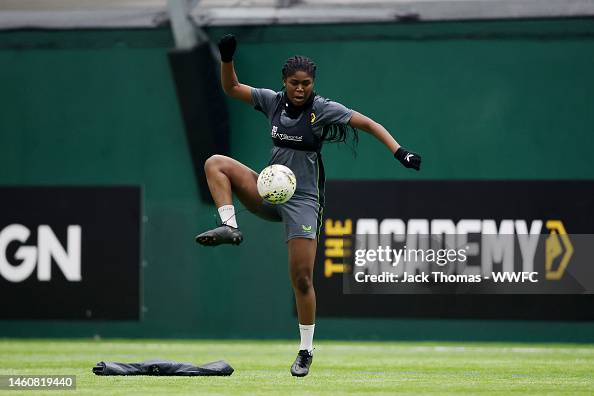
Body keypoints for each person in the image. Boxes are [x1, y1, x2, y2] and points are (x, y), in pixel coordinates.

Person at [195, 34, 422, 377]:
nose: (300, 89)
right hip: (270, 192)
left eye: (306, 84)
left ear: (313, 84)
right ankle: (230, 225)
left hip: (303, 200)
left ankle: (305, 350)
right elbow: (232, 88)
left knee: (301, 279)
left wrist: (399, 150)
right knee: (215, 163)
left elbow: (370, 124)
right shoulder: (272, 102)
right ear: (284, 82)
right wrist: (226, 59)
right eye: (294, 83)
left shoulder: (323, 109)